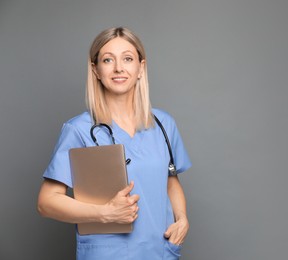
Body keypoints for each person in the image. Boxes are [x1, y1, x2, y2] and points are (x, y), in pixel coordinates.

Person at [37, 27, 191, 260]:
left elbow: (170, 180)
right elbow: (47, 203)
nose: (119, 68)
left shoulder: (162, 123)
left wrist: (182, 219)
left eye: (127, 59)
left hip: (160, 251)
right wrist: (105, 214)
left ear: (141, 67)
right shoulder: (79, 130)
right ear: (95, 70)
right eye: (108, 60)